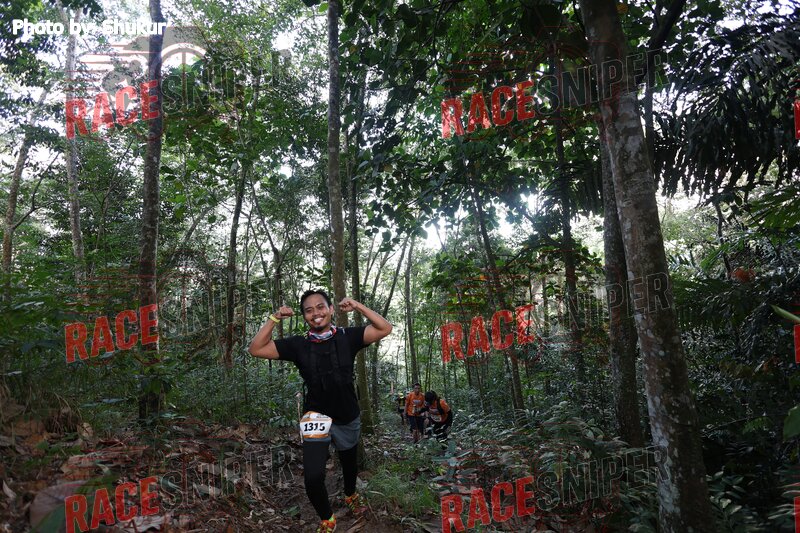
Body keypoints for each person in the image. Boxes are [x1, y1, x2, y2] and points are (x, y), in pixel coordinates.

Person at [248, 289, 392, 533]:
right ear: (304, 316)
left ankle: (350, 494)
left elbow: (384, 328)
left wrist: (357, 306)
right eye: (309, 310)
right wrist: (274, 318)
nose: (316, 313)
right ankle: (327, 519)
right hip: (315, 416)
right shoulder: (298, 345)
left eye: (321, 306)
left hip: (347, 414)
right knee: (313, 477)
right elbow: (256, 349)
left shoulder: (348, 336)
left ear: (331, 309)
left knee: (349, 465)